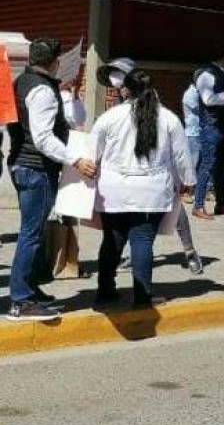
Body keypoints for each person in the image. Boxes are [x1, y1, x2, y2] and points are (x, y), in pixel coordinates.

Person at [6, 38, 96, 321]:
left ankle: (30, 289)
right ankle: (20, 300)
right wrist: (76, 159)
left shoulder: (23, 82)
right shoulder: (42, 91)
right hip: (36, 169)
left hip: (25, 165)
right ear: (55, 62)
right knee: (31, 235)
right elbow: (44, 138)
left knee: (34, 232)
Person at [92, 70, 195, 308]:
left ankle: (105, 290)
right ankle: (142, 295)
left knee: (112, 241)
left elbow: (92, 151)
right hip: (151, 191)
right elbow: (182, 156)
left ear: (126, 90)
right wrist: (188, 181)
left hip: (113, 191)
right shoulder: (169, 118)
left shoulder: (110, 117)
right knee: (142, 241)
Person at [193, 51, 224, 220]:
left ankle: (221, 203)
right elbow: (208, 99)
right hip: (211, 126)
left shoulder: (223, 76)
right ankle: (198, 205)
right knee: (207, 165)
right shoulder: (207, 75)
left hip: (223, 126)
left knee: (220, 167)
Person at [50, 79, 90, 279]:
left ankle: (68, 261)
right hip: (58, 158)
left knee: (70, 213)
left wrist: (75, 95)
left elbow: (80, 118)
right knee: (58, 213)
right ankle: (56, 261)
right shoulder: (51, 97)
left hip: (71, 157)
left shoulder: (70, 98)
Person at [182, 79, 202, 176]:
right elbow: (198, 109)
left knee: (200, 160)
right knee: (194, 161)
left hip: (199, 131)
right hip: (193, 132)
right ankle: (190, 187)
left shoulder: (198, 93)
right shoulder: (190, 94)